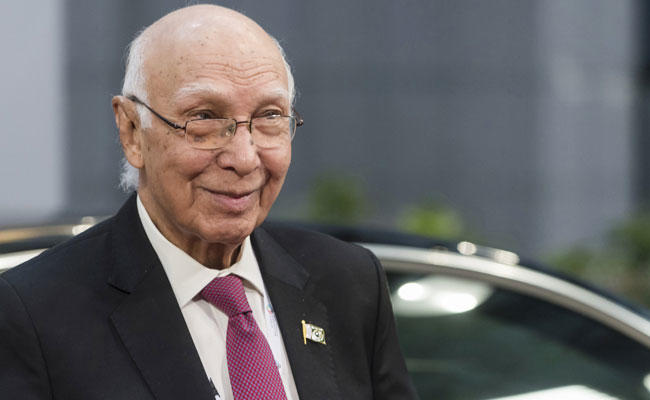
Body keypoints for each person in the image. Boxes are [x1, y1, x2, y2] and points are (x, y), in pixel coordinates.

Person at [0, 4, 417, 399]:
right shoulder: (34, 315)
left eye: (270, 117)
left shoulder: (348, 284)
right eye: (204, 118)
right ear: (132, 132)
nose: (244, 158)